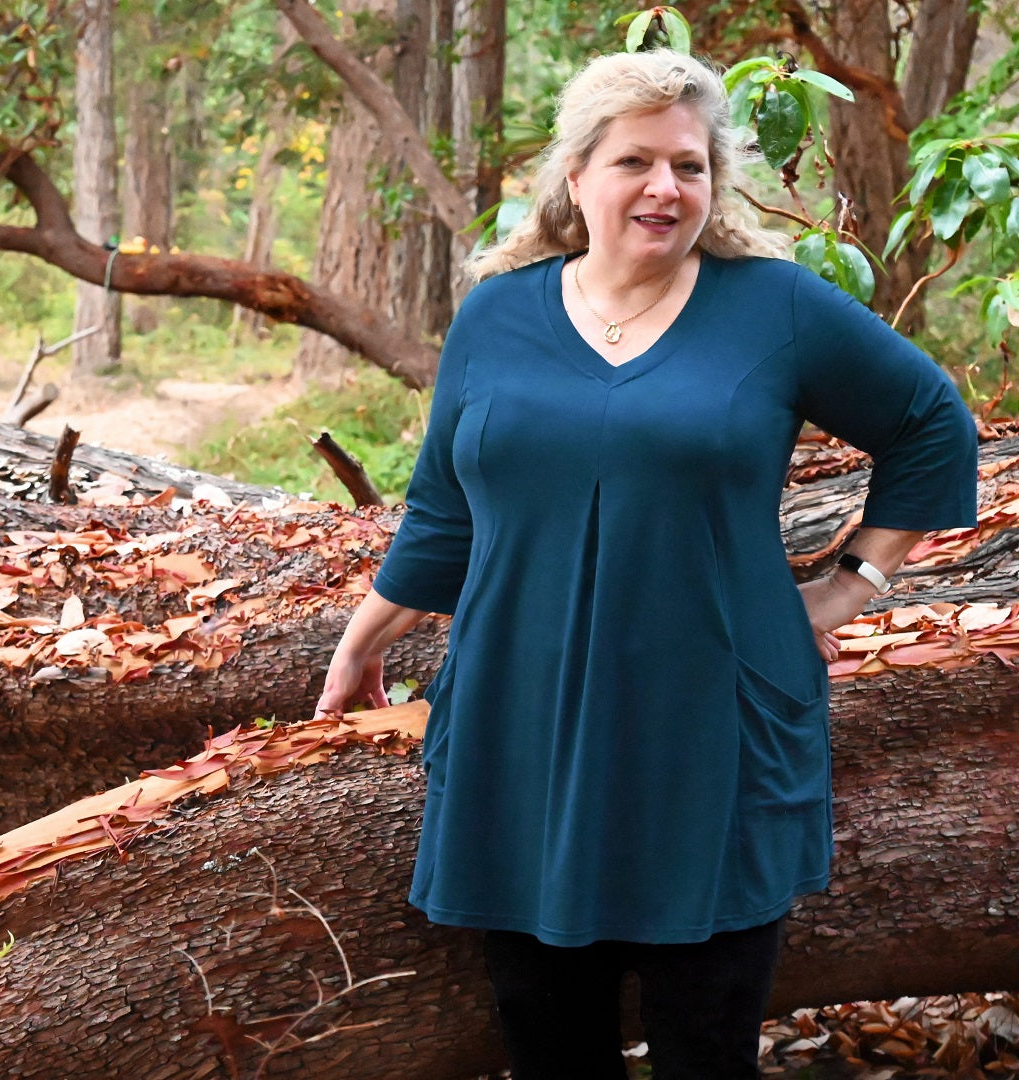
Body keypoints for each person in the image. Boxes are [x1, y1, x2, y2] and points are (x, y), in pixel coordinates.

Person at [315, 48, 978, 1080]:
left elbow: (933, 420)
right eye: (635, 162)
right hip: (518, 726)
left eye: (690, 164)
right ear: (576, 177)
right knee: (547, 1044)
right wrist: (362, 642)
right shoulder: (498, 314)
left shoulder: (775, 309)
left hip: (712, 724)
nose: (666, 188)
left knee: (705, 1049)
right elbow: (446, 510)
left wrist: (857, 582)